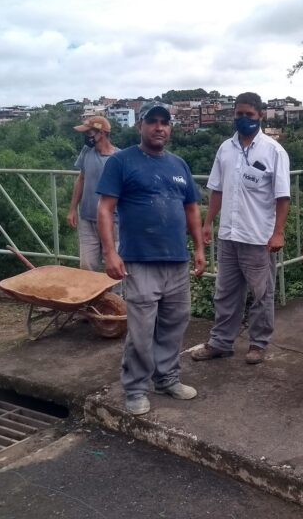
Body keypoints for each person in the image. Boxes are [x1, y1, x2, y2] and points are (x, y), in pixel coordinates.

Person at [97, 104, 206, 416]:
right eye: (153, 122)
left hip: (176, 260)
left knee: (175, 323)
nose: (159, 128)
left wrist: (198, 249)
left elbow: (191, 210)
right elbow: (105, 209)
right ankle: (135, 389)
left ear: (170, 128)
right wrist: (110, 252)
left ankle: (167, 378)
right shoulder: (121, 161)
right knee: (142, 330)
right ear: (140, 127)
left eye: (165, 123)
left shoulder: (179, 164)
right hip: (140, 260)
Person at [191, 92, 291, 365]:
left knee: (261, 294)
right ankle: (221, 342)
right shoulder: (225, 149)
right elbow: (217, 190)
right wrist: (208, 223)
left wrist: (278, 232)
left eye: (249, 114)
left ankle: (258, 344)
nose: (244, 118)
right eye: (239, 114)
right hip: (229, 235)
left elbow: (283, 197)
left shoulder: (273, 151)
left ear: (260, 115)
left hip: (258, 236)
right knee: (225, 293)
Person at [67, 116, 119, 271]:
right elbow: (81, 179)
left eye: (89, 132)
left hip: (113, 222)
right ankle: (93, 296)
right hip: (87, 219)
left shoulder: (119, 158)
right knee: (87, 266)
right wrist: (72, 209)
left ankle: (115, 296)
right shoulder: (87, 151)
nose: (86, 137)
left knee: (114, 266)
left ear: (101, 133)